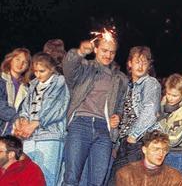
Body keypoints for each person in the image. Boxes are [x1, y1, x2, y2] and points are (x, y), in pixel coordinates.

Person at [62, 37, 128, 185]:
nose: (108, 55)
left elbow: (121, 104)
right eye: (104, 50)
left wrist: (117, 116)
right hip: (80, 123)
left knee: (97, 181)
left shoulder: (120, 78)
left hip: (104, 129)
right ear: (96, 49)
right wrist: (79, 52)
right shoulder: (84, 68)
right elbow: (68, 66)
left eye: (112, 52)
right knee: (71, 177)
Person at [14, 52, 69, 186]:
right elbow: (26, 106)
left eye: (42, 71)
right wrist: (24, 119)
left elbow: (58, 109)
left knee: (47, 177)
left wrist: (36, 122)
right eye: (36, 71)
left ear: (51, 69)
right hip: (30, 137)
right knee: (27, 175)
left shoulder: (60, 83)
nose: (38, 75)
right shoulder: (33, 85)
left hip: (50, 136)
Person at [111, 46, 161, 178]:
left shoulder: (150, 83)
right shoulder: (127, 85)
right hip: (123, 142)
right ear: (129, 63)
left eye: (144, 62)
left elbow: (150, 112)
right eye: (137, 61)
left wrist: (133, 137)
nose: (140, 66)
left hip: (139, 141)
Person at [115, 130, 182, 186]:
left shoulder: (175, 178)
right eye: (156, 149)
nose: (161, 154)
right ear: (144, 150)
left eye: (164, 150)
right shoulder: (126, 174)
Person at [158, 74, 182, 175]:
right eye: (168, 94)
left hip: (177, 154)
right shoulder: (165, 101)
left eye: (174, 96)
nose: (170, 98)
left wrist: (160, 121)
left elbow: (174, 140)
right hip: (163, 150)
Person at [0, 48, 31, 135]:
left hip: (15, 133)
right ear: (10, 60)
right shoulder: (1, 80)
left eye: (24, 62)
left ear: (28, 67)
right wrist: (15, 117)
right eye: (17, 59)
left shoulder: (28, 88)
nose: (20, 64)